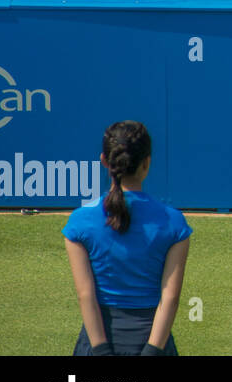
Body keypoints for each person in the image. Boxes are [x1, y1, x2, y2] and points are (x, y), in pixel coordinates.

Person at [62, 121, 191, 356]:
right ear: (147, 163)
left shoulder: (80, 222)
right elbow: (170, 297)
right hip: (154, 342)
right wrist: (152, 351)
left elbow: (86, 295)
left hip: (97, 341)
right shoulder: (174, 223)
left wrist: (101, 351)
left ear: (104, 161)